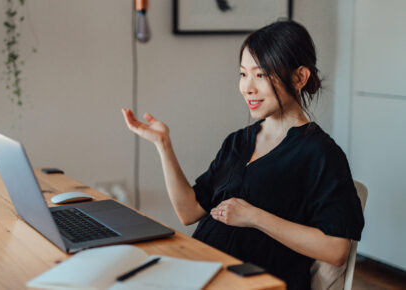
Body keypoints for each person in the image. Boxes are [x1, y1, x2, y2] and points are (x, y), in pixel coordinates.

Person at [121, 20, 364, 290]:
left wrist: (254, 217)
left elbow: (336, 249)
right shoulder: (238, 141)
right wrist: (163, 144)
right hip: (200, 271)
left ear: (299, 77)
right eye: (242, 74)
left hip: (257, 284)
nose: (247, 87)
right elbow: (189, 211)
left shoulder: (320, 154)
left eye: (260, 75)